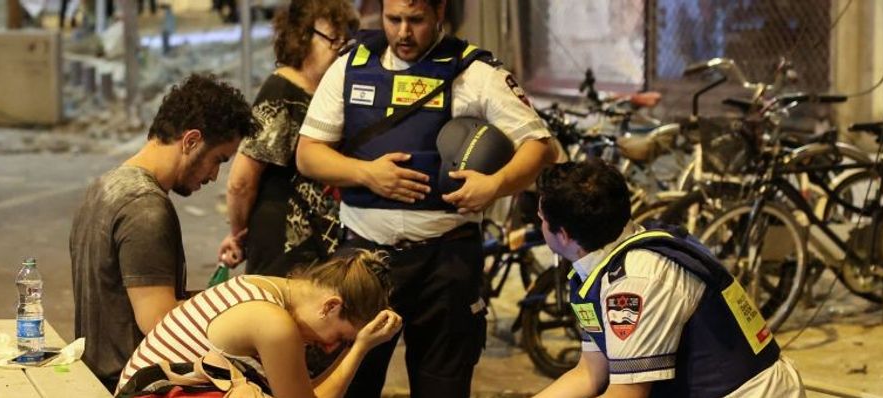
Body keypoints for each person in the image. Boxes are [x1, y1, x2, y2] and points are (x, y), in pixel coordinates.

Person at [294, 0, 560, 396]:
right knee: (350, 383)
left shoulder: (475, 71)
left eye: (416, 20)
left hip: (446, 263)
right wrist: (367, 173)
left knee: (443, 387)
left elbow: (540, 146)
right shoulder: (351, 66)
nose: (403, 32)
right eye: (394, 19)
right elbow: (308, 153)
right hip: (362, 261)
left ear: (439, 12)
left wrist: (495, 184)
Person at [532, 159, 805, 398]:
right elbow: (590, 373)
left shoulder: (634, 281)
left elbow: (626, 395)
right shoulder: (604, 261)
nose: (539, 223)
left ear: (564, 235)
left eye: (541, 218)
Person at [70, 74, 259, 390]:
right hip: (133, 386)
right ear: (191, 141)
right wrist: (247, 311)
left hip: (96, 377)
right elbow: (158, 321)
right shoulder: (146, 209)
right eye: (217, 160)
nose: (214, 176)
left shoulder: (105, 186)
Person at [114, 250, 403, 398]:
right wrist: (359, 349)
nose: (330, 347)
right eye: (341, 337)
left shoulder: (260, 285)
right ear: (330, 306)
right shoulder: (273, 323)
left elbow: (301, 391)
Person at [218, 0, 359, 276]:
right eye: (332, 40)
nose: (339, 50)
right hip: (282, 247)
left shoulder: (326, 94)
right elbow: (241, 182)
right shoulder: (281, 91)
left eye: (345, 42)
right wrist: (239, 232)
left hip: (322, 247)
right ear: (302, 36)